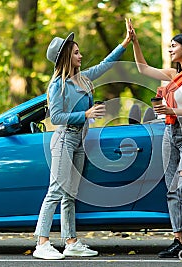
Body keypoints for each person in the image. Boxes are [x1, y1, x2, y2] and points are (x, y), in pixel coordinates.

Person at [33, 30, 132, 260]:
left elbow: (105, 65)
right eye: (76, 52)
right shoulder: (57, 85)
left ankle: (70, 242)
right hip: (64, 139)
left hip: (78, 140)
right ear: (66, 56)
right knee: (56, 190)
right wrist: (85, 113)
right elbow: (56, 117)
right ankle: (42, 242)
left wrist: (125, 42)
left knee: (70, 193)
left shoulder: (83, 78)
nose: (80, 55)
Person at [127, 19, 182, 258]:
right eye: (168, 46)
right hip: (170, 133)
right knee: (171, 189)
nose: (169, 49)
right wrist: (135, 41)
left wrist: (173, 111)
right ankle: (178, 240)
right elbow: (143, 70)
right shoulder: (170, 75)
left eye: (173, 45)